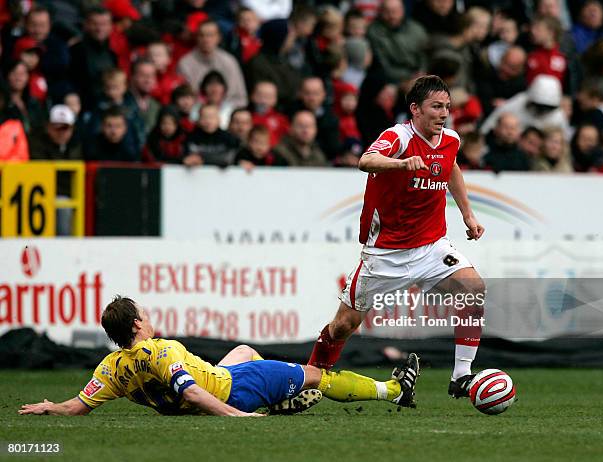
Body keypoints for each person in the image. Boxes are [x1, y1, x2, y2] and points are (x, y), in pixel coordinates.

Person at [306, 75, 487, 400]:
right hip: (385, 254)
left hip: (432, 246)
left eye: (446, 106)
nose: (443, 113)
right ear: (415, 109)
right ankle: (311, 379)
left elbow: (452, 168)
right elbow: (366, 160)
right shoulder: (398, 137)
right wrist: (401, 164)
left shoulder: (450, 140)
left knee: (473, 289)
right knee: (344, 325)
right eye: (436, 106)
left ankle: (461, 375)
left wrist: (467, 214)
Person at [19, 296, 420, 416]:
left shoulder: (111, 368)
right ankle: (394, 390)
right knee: (319, 374)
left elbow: (79, 406)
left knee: (244, 350)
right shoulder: (162, 350)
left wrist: (50, 407)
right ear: (138, 325)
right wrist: (239, 417)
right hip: (234, 391)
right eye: (144, 313)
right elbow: (193, 393)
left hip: (213, 379)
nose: (149, 316)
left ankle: (282, 400)